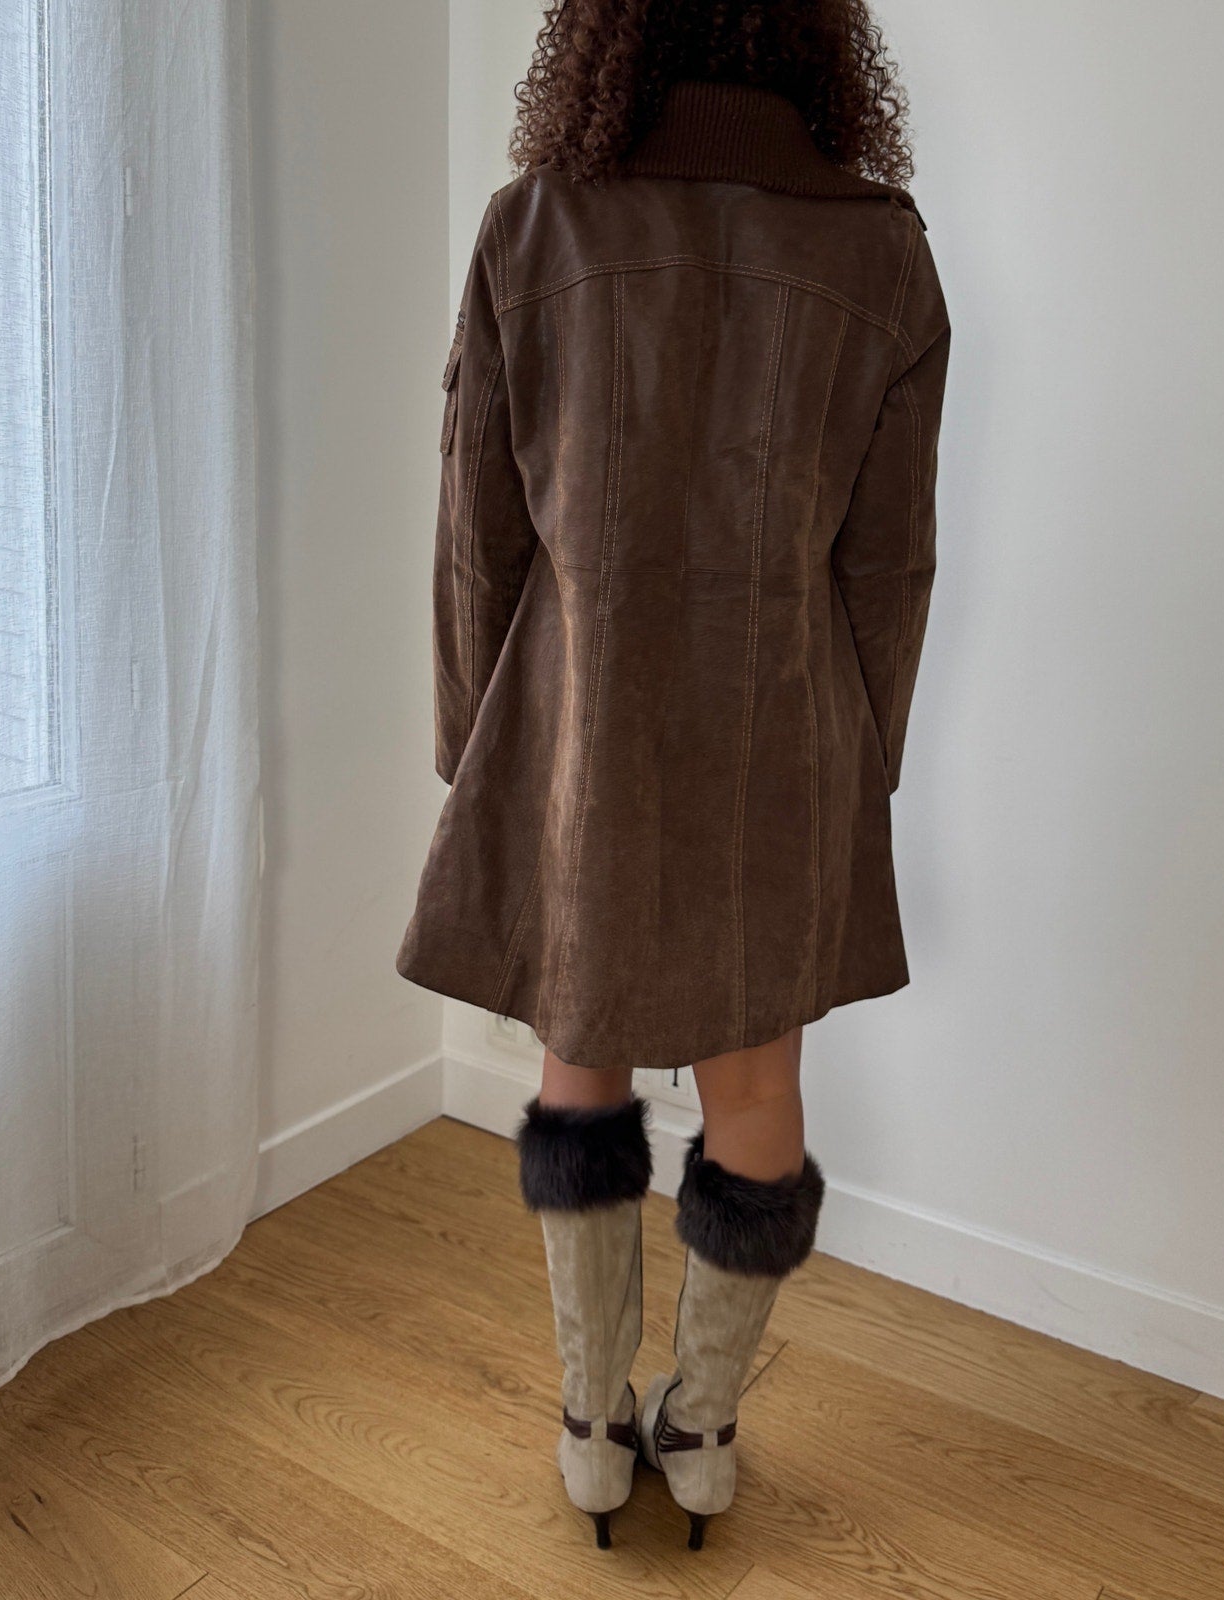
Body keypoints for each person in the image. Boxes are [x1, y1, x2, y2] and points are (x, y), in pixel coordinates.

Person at [396, 0, 948, 1552]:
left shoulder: (536, 226)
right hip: (783, 740)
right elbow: (891, 562)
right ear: (813, 36)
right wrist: (863, 764)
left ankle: (593, 1430)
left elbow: (475, 529)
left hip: (578, 735)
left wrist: (471, 743)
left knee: (579, 1068)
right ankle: (697, 1434)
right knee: (755, 1084)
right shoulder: (880, 248)